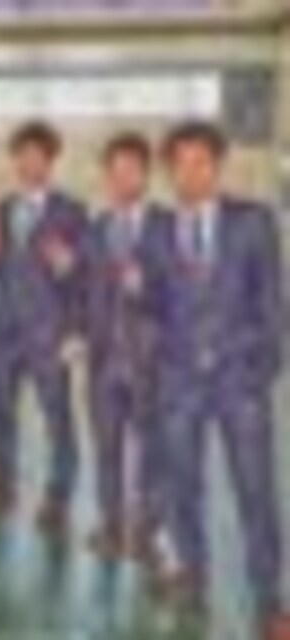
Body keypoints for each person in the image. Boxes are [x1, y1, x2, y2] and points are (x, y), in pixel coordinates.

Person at [153, 121, 287, 639]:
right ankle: (194, 577)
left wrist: (259, 374)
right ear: (170, 171)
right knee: (183, 488)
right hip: (179, 384)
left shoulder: (253, 221)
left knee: (255, 492)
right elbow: (150, 306)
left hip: (239, 383)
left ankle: (269, 600)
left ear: (217, 165)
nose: (191, 173)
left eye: (200, 162)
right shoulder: (158, 231)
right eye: (180, 164)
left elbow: (273, 305)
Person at [0, 121, 90, 536]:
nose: (28, 164)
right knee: (1, 413)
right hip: (4, 331)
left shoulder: (71, 211)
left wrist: (75, 329)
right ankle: (1, 485)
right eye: (22, 156)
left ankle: (58, 496)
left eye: (37, 157)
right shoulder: (1, 209)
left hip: (49, 333)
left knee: (57, 417)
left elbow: (83, 275)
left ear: (50, 161)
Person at [87, 133, 167, 561]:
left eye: (130, 171)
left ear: (146, 174)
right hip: (104, 362)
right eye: (114, 171)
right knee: (106, 448)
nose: (122, 179)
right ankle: (111, 526)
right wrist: (76, 331)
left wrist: (147, 285)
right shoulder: (98, 226)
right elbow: (84, 290)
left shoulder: (167, 225)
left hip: (151, 361)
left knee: (152, 451)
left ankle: (148, 533)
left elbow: (186, 292)